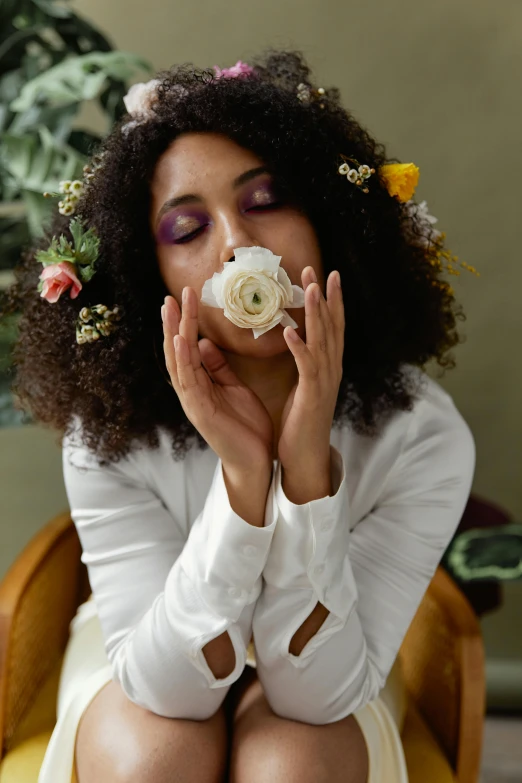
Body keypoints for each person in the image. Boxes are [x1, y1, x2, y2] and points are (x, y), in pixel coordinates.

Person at [2, 49, 477, 783]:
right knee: (154, 760)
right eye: (187, 229)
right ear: (146, 272)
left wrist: (308, 471)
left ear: (325, 217)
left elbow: (314, 695)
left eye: (266, 201)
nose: (239, 243)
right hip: (147, 645)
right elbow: (169, 689)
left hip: (337, 656)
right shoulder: (108, 434)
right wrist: (244, 479)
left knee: (293, 765)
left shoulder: (421, 433)